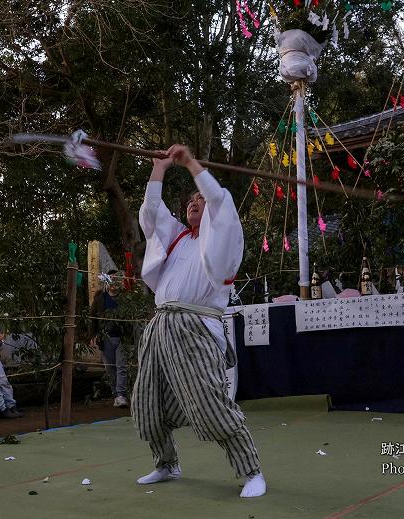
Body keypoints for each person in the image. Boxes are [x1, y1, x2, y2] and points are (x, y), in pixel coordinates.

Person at [133, 144, 265, 498]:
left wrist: (190, 163)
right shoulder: (176, 237)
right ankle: (166, 463)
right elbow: (150, 213)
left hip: (194, 328)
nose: (195, 202)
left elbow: (220, 202)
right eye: (190, 200)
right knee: (147, 401)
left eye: (200, 199)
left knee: (208, 403)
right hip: (160, 327)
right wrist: (159, 168)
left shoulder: (218, 238)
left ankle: (251, 470)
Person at [89, 270, 129, 408]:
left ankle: (121, 395)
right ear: (108, 282)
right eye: (112, 280)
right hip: (105, 337)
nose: (115, 283)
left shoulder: (125, 299)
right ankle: (115, 394)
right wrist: (93, 335)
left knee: (121, 366)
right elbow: (92, 318)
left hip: (122, 337)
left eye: (118, 280)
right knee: (110, 368)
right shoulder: (100, 298)